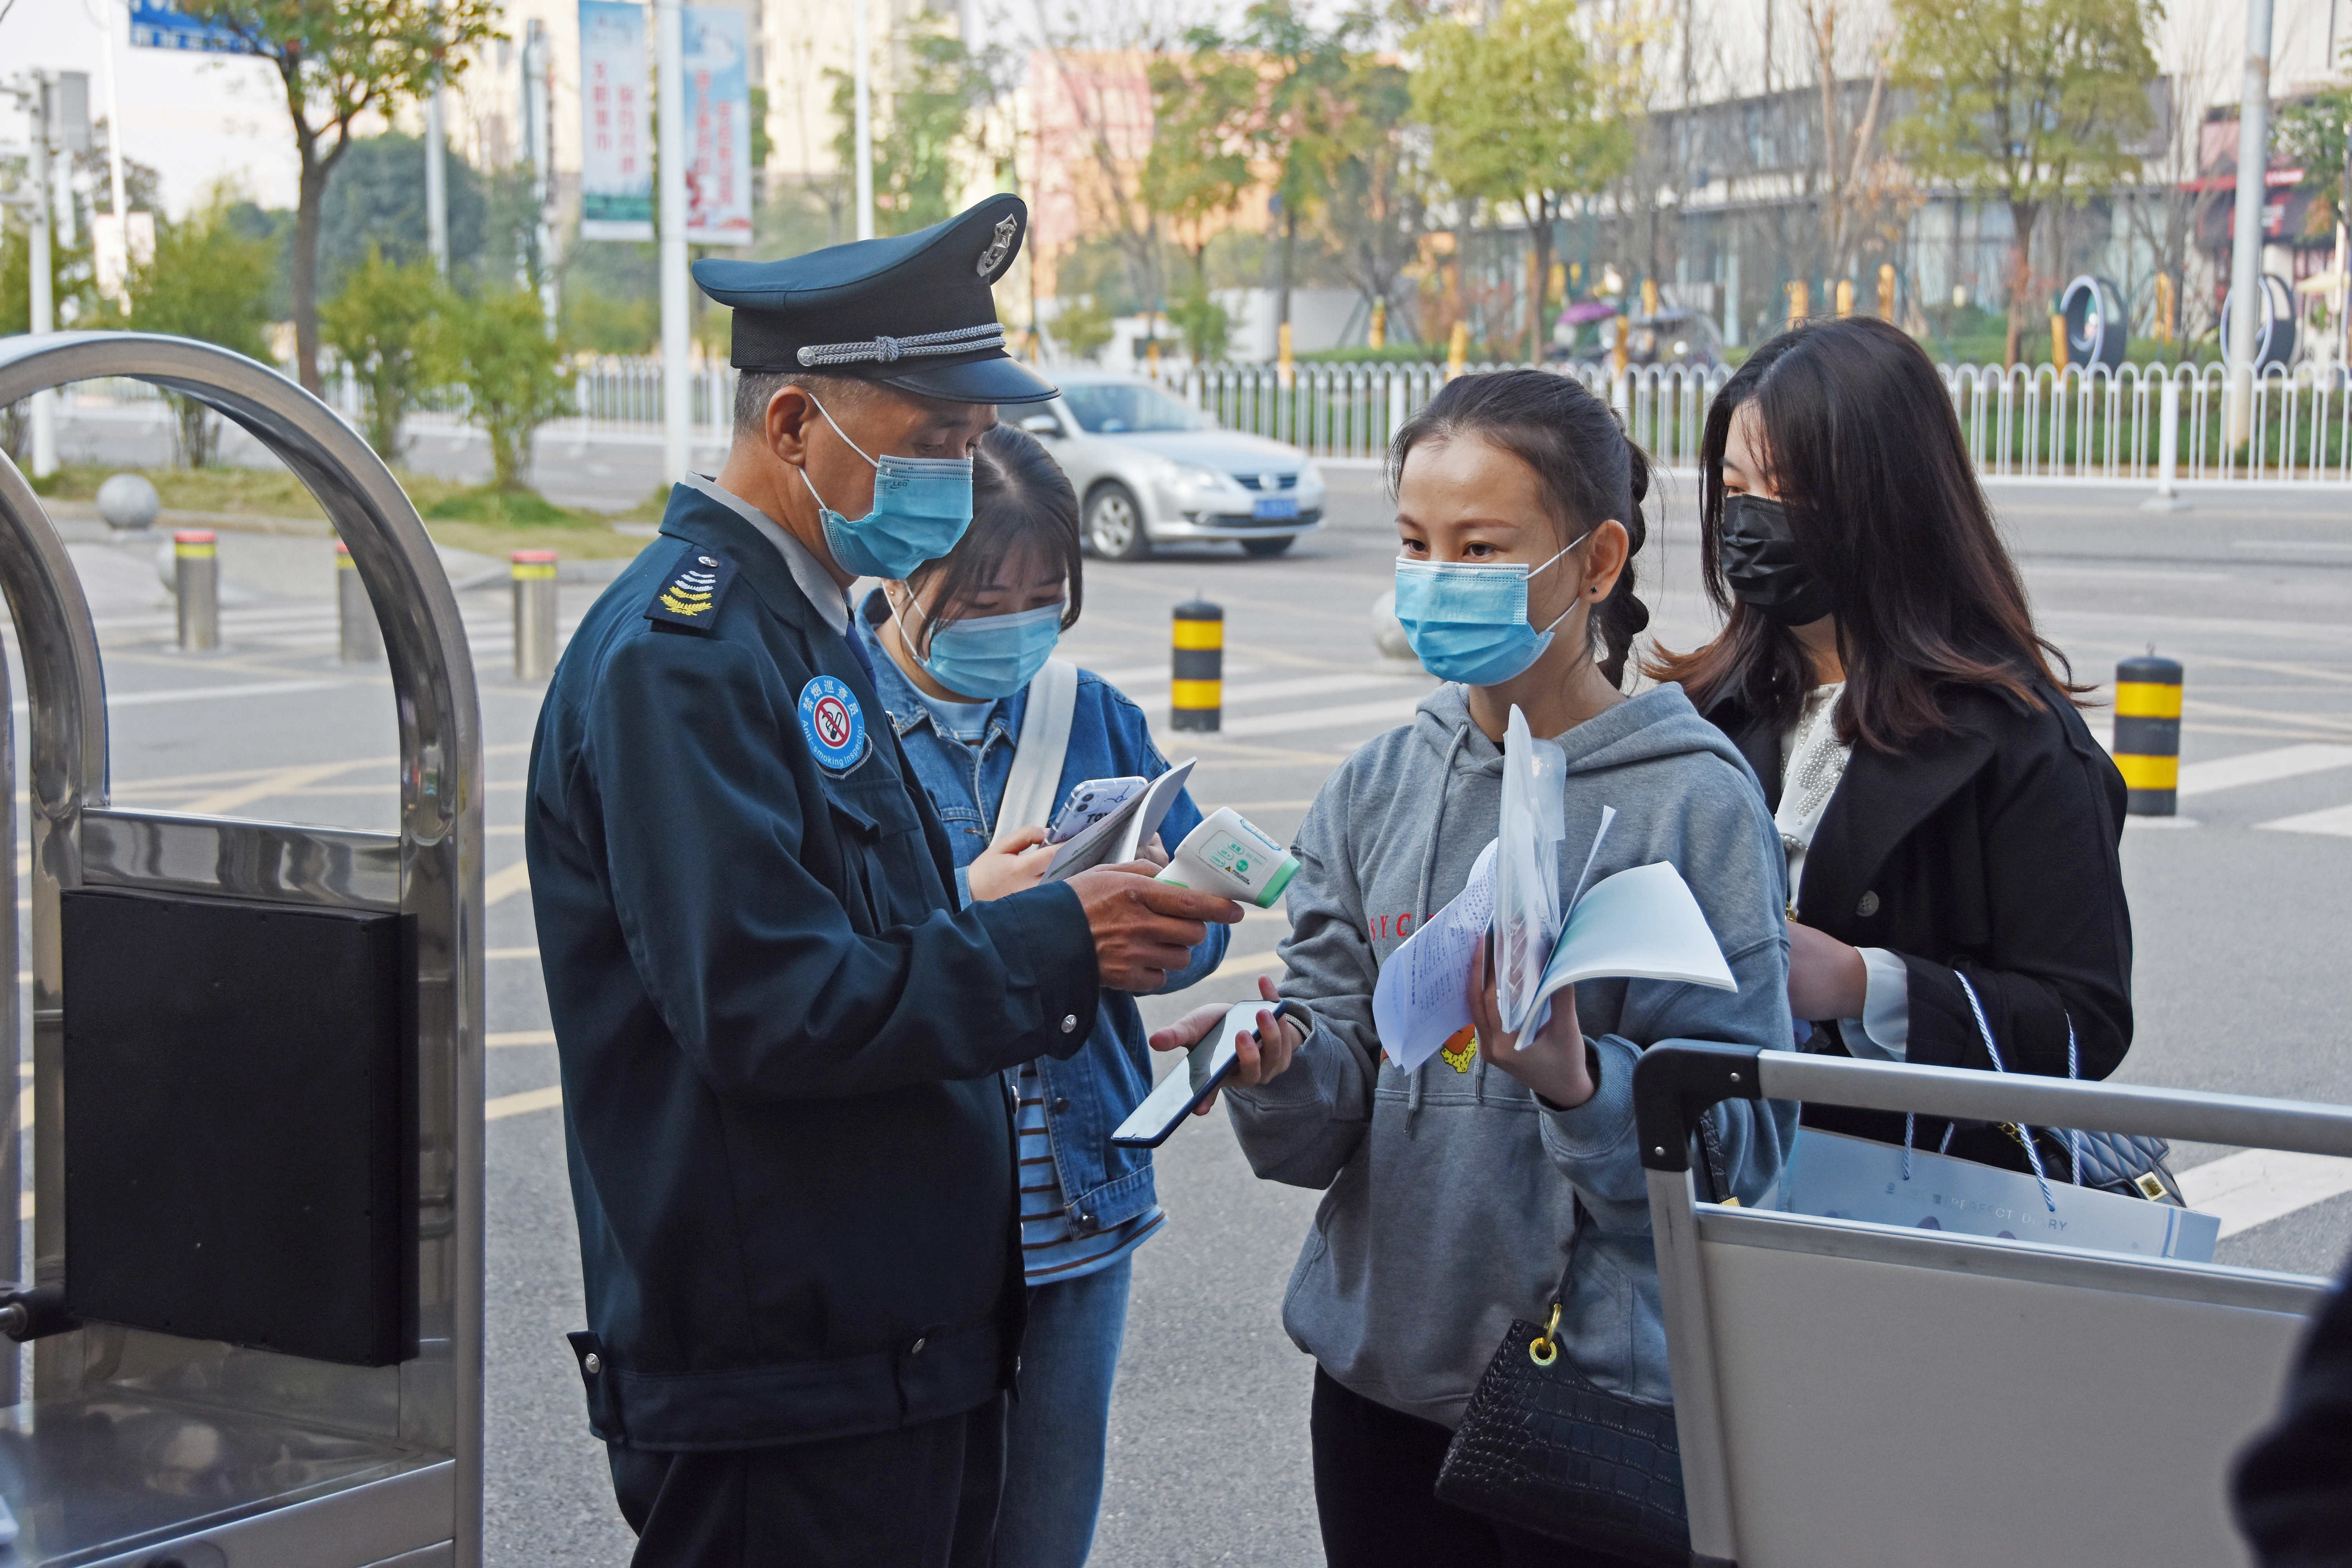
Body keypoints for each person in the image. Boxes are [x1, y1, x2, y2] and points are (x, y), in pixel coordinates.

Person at [524, 195, 1242, 1568]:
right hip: (784, 1368)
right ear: (795, 425)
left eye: (973, 449)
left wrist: (1027, 918)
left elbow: (864, 933)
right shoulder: (687, 657)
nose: (961, 486)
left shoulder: (803, 626)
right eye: (934, 447)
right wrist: (1053, 943)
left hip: (881, 1346)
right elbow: (767, 1003)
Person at [1150, 369, 1797, 1567]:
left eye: (1481, 546)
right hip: (1379, 1389)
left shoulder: (1693, 805)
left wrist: (1579, 1082)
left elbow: (1744, 1157)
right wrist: (1279, 1065)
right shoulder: (1378, 785)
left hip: (1594, 1399)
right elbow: (1325, 1117)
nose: (1437, 575)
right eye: (1414, 541)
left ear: (1596, 564)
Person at [851, 422, 1228, 1567]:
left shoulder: (1094, 713)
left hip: (1077, 1208)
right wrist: (979, 908)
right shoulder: (836, 720)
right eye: (979, 598)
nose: (1012, 623)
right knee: (909, 1526)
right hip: (911, 1221)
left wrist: (1176, 923)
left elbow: (1181, 942)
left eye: (1042, 595)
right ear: (906, 572)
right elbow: (815, 965)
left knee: (1043, 1534)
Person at [1648, 315, 2132, 1169]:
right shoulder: (1697, 713)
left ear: (1888, 498)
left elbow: (2080, 1026)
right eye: (1732, 486)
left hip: (1913, 1207)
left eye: (1786, 484)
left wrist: (1862, 983)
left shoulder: (2018, 744)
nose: (1751, 515)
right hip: (1706, 1195)